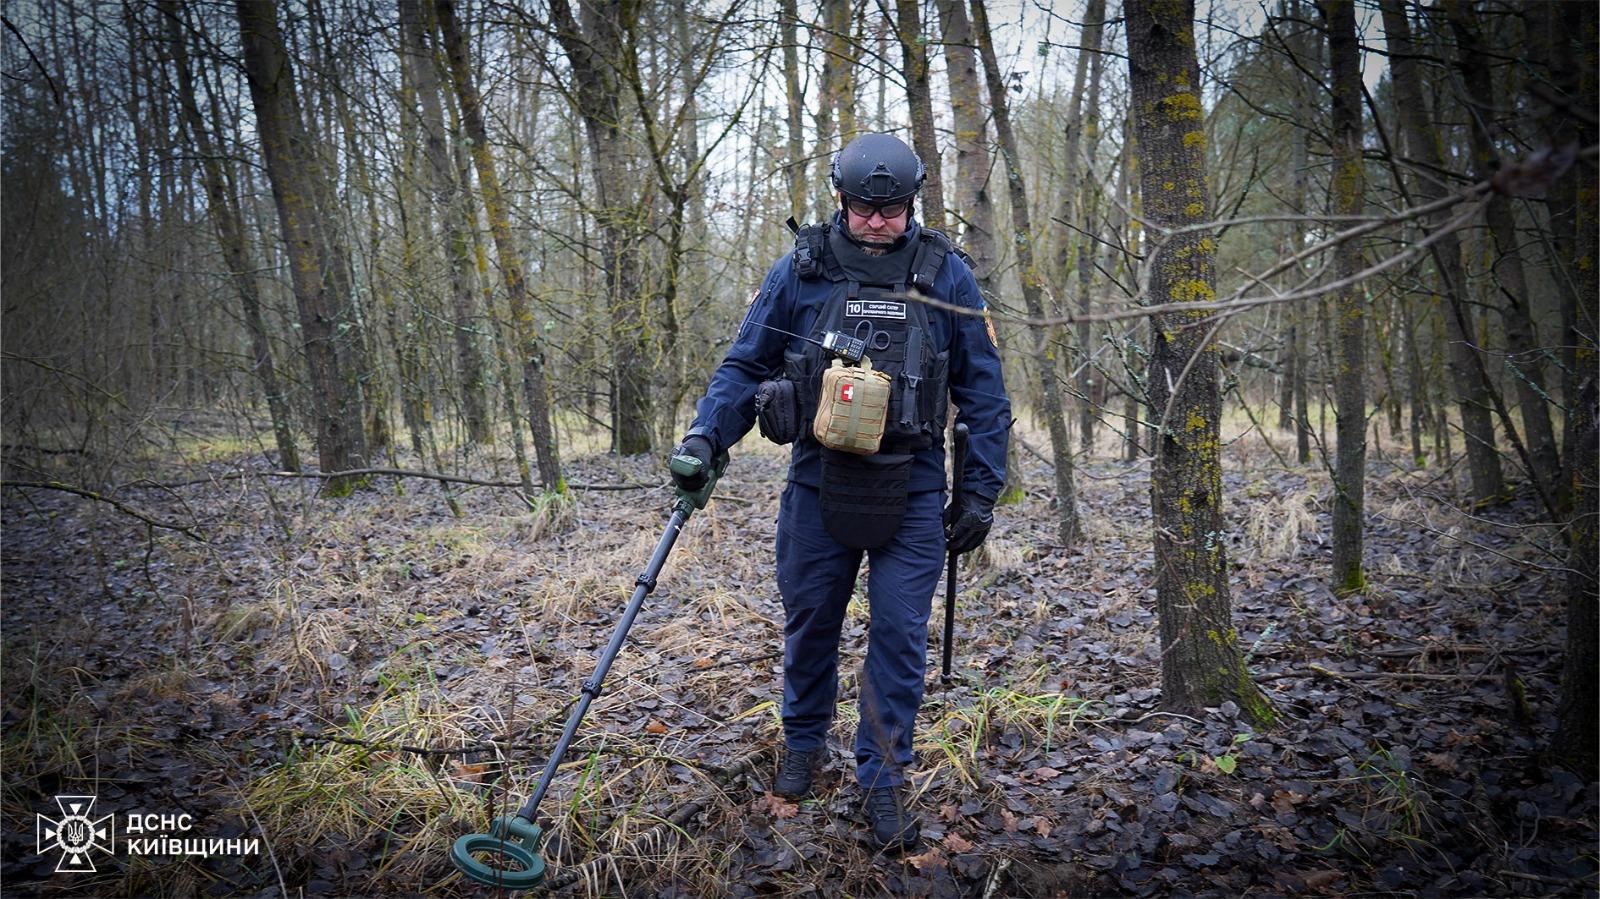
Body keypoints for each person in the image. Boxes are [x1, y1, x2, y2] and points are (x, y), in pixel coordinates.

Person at [669, 132, 1009, 852]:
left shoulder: (945, 275)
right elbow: (741, 365)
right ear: (840, 199)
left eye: (893, 209)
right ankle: (801, 745)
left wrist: (979, 491)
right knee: (811, 623)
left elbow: (986, 390)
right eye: (865, 208)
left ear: (912, 203)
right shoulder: (803, 270)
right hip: (818, 479)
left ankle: (883, 781)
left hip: (913, 486)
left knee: (897, 636)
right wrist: (705, 438)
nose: (879, 221)